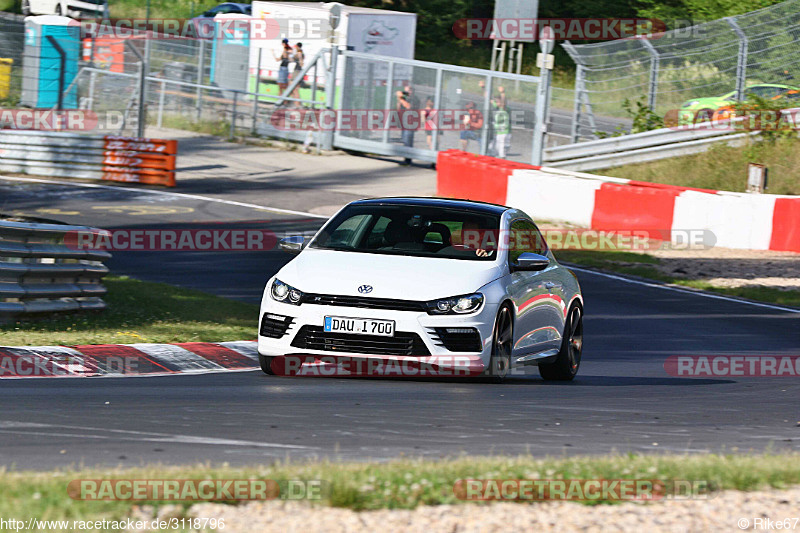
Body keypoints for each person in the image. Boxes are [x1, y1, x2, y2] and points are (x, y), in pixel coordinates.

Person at [396, 84, 420, 165]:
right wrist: (399, 100)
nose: (407, 92)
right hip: (404, 122)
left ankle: (408, 160)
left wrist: (401, 99)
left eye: (409, 90)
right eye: (405, 91)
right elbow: (398, 108)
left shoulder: (415, 99)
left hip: (410, 123)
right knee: (404, 140)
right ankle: (406, 158)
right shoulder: (405, 98)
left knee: (408, 141)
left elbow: (408, 106)